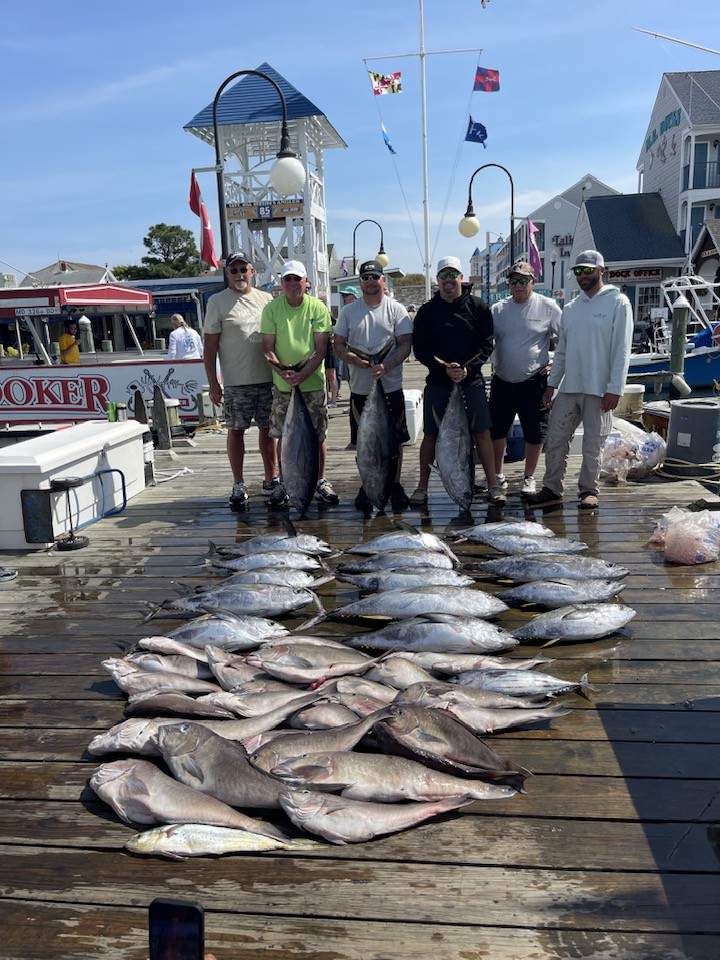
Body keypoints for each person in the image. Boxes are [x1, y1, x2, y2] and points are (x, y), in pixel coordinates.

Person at [526, 249, 634, 510]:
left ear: (601, 270)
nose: (582, 275)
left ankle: (588, 490)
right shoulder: (571, 309)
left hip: (600, 390)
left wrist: (615, 389)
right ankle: (552, 487)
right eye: (578, 270)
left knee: (592, 445)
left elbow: (622, 350)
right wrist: (552, 384)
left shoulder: (619, 303)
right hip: (569, 387)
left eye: (587, 270)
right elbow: (561, 351)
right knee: (554, 439)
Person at [409, 256, 504, 507]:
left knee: (482, 433)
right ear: (437, 279)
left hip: (471, 381)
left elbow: (487, 343)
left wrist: (468, 368)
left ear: (461, 277)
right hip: (439, 383)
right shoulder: (427, 311)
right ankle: (422, 487)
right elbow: (420, 348)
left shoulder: (478, 307)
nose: (448, 280)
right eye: (443, 275)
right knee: (430, 435)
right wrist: (444, 369)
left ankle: (493, 484)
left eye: (453, 275)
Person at [334, 260, 413, 510]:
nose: (370, 282)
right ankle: (367, 484)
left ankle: (396, 484)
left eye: (374, 277)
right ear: (360, 282)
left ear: (383, 281)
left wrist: (385, 366)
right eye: (365, 278)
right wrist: (354, 360)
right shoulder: (348, 312)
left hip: (390, 388)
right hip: (360, 389)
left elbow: (404, 344)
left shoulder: (396, 309)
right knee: (363, 441)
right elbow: (338, 345)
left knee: (395, 440)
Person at [203, 251, 278, 510]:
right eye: (233, 271)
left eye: (243, 269)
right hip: (236, 382)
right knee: (236, 431)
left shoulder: (267, 299)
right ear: (227, 274)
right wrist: (214, 382)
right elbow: (210, 346)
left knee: (270, 432)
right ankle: (238, 482)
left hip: (269, 380)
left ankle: (272, 479)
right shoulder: (216, 302)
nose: (239, 275)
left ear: (252, 272)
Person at [260, 260, 339, 506]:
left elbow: (321, 348)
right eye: (288, 279)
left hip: (312, 385)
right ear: (282, 283)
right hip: (284, 386)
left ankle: (320, 481)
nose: (293, 284)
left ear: (306, 283)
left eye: (297, 279)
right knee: (286, 436)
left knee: (318, 435)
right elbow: (267, 348)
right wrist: (283, 373)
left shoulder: (317, 308)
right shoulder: (271, 309)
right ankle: (285, 483)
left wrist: (301, 376)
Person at [490, 260, 562, 497]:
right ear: (508, 284)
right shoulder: (497, 310)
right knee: (497, 432)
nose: (518, 285)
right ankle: (498, 476)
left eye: (523, 280)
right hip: (502, 380)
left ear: (533, 281)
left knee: (535, 433)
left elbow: (567, 340)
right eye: (513, 281)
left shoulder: (549, 307)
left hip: (534, 381)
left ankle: (528, 477)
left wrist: (556, 364)